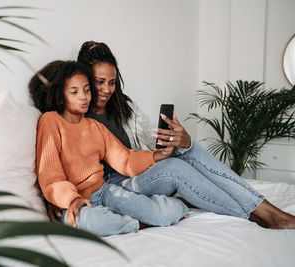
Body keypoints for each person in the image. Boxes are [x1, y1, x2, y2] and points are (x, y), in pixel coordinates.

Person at [67, 40, 295, 230]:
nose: (107, 89)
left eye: (112, 82)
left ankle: (266, 211)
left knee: (189, 151)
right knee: (178, 169)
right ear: (84, 79)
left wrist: (180, 141)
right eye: (99, 82)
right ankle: (254, 215)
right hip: (113, 189)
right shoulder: (73, 117)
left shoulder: (124, 108)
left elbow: (154, 145)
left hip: (143, 177)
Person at [29, 60, 189, 236]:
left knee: (163, 213)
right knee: (93, 222)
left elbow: (125, 160)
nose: (84, 96)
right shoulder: (50, 121)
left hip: (104, 192)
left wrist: (155, 156)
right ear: (59, 96)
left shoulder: (95, 126)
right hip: (73, 203)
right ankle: (138, 224)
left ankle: (168, 209)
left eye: (87, 90)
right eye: (74, 92)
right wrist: (72, 199)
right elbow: (51, 177)